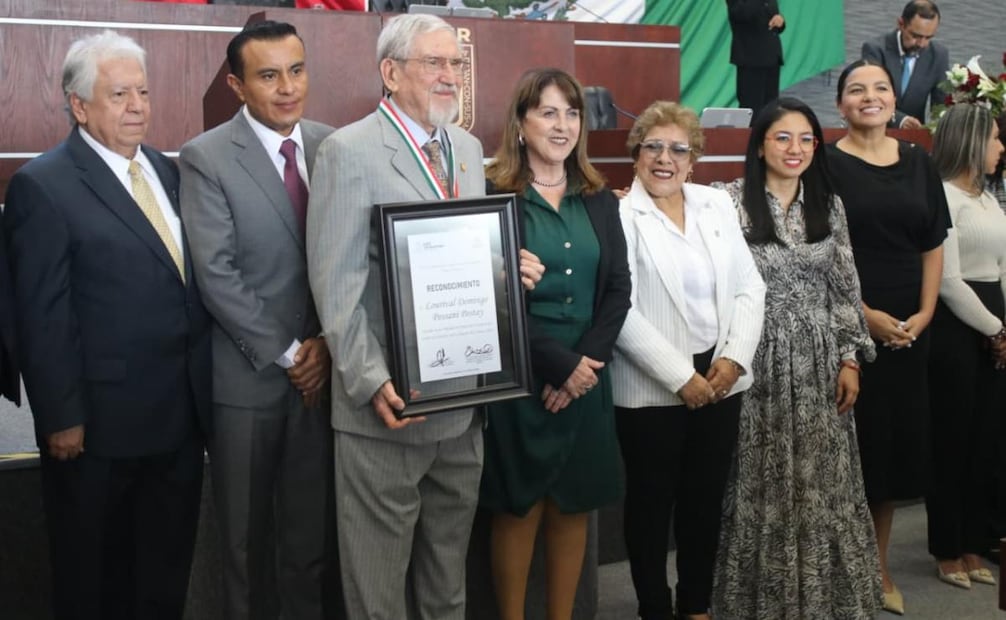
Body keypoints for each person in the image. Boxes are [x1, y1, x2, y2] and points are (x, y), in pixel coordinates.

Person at [305, 13, 543, 619]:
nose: (449, 76)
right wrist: (369, 381)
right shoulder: (347, 151)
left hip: (463, 404)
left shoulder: (464, 150)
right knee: (377, 591)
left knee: (447, 583)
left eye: (455, 65)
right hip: (388, 410)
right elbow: (337, 286)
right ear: (390, 72)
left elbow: (463, 256)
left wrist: (505, 270)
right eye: (433, 63)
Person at [2, 30, 212, 618]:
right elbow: (40, 315)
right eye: (119, 94)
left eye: (142, 91)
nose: (137, 106)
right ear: (79, 105)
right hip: (97, 432)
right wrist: (61, 416)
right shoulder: (43, 186)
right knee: (94, 580)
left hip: (177, 422)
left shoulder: (165, 172)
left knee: (163, 575)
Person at [178, 21, 334, 619]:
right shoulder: (207, 156)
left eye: (296, 70)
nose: (288, 87)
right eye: (269, 75)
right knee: (243, 545)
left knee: (307, 541)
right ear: (238, 85)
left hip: (324, 378)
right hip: (249, 383)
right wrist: (295, 354)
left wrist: (325, 345)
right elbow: (217, 276)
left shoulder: (331, 144)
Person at [710, 97, 882, 619]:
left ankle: (827, 601)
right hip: (753, 359)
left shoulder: (827, 205)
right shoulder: (727, 201)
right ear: (759, 143)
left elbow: (844, 288)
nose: (795, 149)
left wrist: (850, 358)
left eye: (807, 139)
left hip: (819, 363)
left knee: (822, 483)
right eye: (783, 137)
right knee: (758, 478)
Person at [478, 67, 631, 620]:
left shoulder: (599, 198)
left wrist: (583, 367)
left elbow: (617, 290)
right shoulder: (492, 194)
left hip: (588, 375)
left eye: (571, 113)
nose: (562, 124)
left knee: (574, 508)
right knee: (519, 508)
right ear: (521, 123)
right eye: (548, 111)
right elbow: (492, 300)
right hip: (522, 373)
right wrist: (560, 367)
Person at [613, 100, 765, 620]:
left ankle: (696, 605)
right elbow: (620, 309)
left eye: (678, 149)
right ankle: (654, 607)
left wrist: (733, 360)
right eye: (653, 146)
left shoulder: (715, 204)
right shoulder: (618, 215)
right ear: (636, 154)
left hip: (722, 378)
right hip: (651, 384)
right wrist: (682, 377)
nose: (665, 158)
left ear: (694, 158)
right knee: (652, 506)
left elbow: (750, 287)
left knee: (705, 501)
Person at [826, 58, 950, 615]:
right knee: (849, 450)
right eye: (856, 89)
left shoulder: (919, 161)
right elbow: (816, 254)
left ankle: (877, 565)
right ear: (841, 104)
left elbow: (932, 242)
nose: (869, 97)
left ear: (894, 98)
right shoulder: (824, 165)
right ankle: (834, 565)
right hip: (846, 324)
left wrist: (925, 312)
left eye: (879, 87)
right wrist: (862, 313)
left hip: (911, 328)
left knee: (893, 453)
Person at [926, 102, 1006, 590]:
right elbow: (950, 281)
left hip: (996, 323)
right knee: (951, 440)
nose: (1001, 147)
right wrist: (995, 330)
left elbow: (1001, 268)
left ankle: (976, 541)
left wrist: (1004, 329)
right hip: (959, 328)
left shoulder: (988, 198)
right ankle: (947, 547)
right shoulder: (944, 197)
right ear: (972, 142)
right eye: (995, 138)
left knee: (988, 441)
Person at [861, 0, 949, 130]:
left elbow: (940, 106)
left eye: (928, 38)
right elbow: (872, 97)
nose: (922, 44)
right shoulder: (875, 49)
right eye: (916, 36)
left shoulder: (939, 55)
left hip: (914, 138)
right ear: (901, 24)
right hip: (875, 131)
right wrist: (901, 120)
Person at [726, 0, 785, 119]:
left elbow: (773, 19)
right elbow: (741, 15)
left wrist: (780, 22)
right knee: (752, 112)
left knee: (771, 111)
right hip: (750, 59)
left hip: (771, 58)